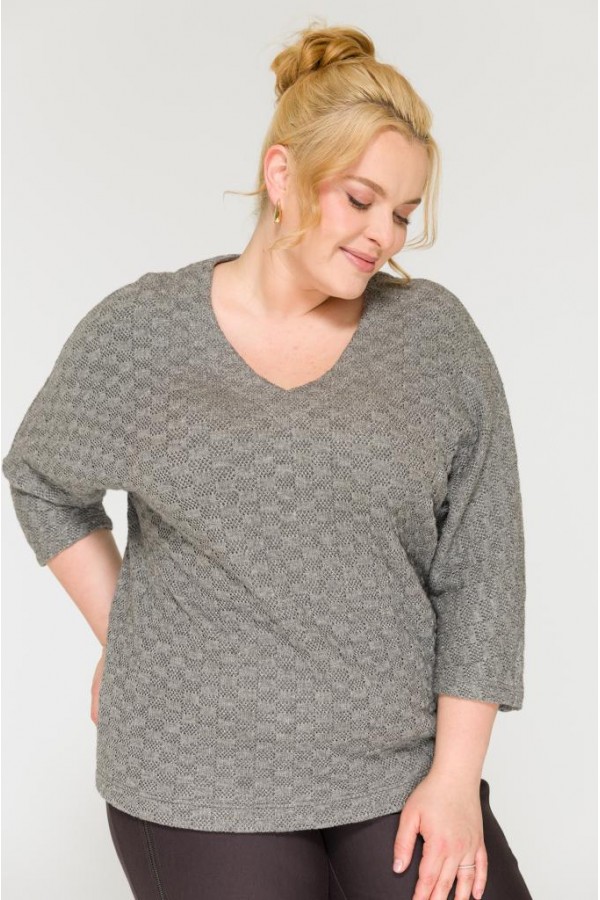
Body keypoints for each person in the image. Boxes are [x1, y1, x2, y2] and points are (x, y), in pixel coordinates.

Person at [2, 20, 533, 900]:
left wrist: (454, 779)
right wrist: (129, 634)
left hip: (398, 766)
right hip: (193, 770)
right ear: (282, 176)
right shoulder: (146, 333)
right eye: (361, 200)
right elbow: (41, 480)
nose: (385, 236)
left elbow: (482, 569)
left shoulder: (433, 339)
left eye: (403, 213)